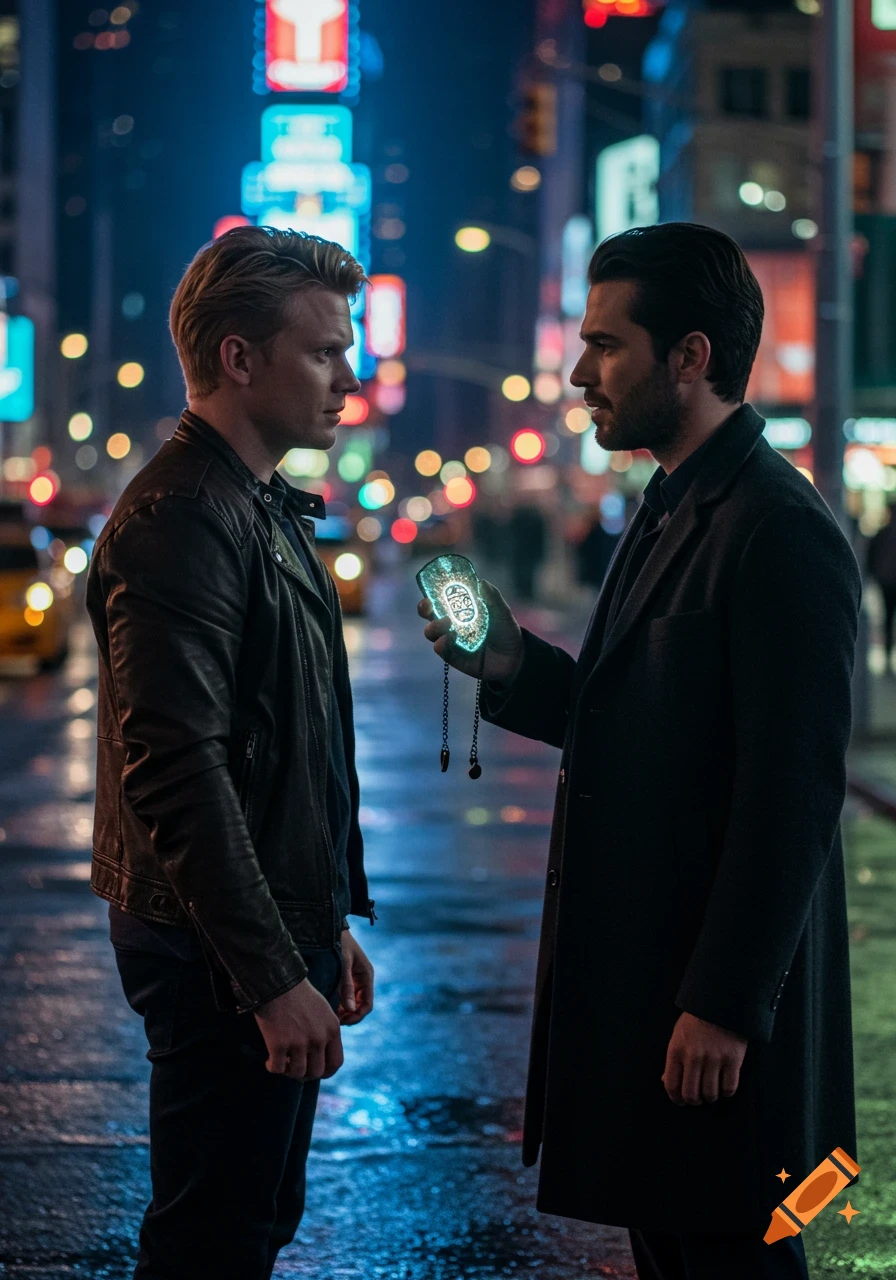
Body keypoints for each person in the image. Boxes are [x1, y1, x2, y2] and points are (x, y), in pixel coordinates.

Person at [417, 223, 861, 1280]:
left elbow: (790, 791)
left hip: (711, 1019)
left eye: (605, 345)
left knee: (731, 1260)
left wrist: (723, 998)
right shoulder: (668, 508)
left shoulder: (774, 528)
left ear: (690, 356)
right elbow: (631, 714)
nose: (579, 374)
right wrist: (506, 659)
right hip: (650, 997)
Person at [85, 226, 377, 1280]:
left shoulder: (256, 507)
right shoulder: (183, 518)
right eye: (322, 352)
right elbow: (176, 765)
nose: (348, 376)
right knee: (213, 1236)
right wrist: (265, 972)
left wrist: (322, 918)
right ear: (237, 358)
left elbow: (289, 743)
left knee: (253, 1218)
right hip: (212, 949)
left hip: (256, 929)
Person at [866, 501, 896, 674]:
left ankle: (887, 656)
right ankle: (887, 656)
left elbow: (871, 557)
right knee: (888, 619)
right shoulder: (882, 535)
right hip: (886, 581)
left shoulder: (881, 534)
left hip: (885, 580)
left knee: (888, 619)